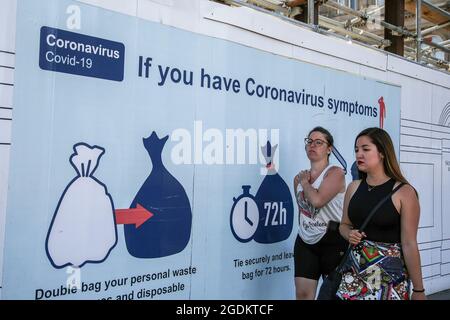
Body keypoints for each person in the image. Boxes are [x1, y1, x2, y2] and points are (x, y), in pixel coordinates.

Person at [338, 127, 426, 300]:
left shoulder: (405, 192)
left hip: (389, 278)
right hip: (353, 275)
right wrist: (349, 233)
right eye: (356, 150)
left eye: (365, 149)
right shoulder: (353, 187)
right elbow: (344, 225)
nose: (359, 154)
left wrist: (419, 290)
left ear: (382, 153)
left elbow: (409, 244)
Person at [293, 126, 347, 300]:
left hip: (332, 241)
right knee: (302, 295)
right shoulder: (298, 178)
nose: (312, 145)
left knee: (331, 296)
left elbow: (317, 200)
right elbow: (302, 211)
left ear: (329, 149)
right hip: (305, 241)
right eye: (309, 141)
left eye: (318, 142)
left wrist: (305, 183)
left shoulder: (335, 173)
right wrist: (302, 181)